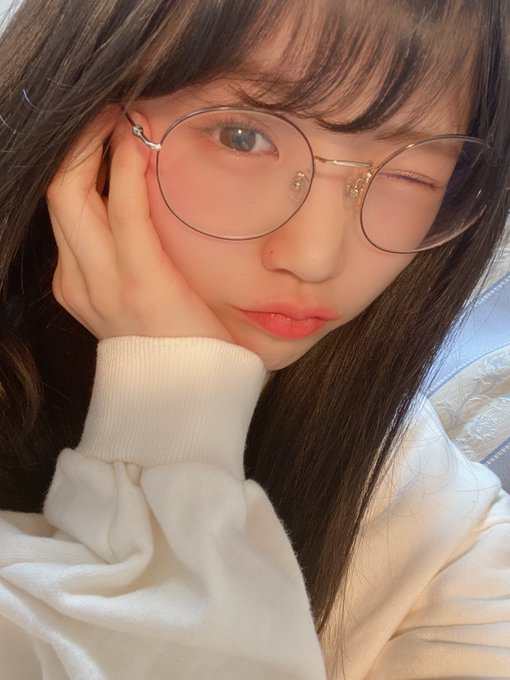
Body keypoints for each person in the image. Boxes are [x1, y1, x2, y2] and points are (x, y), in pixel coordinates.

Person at [0, 0, 509, 678]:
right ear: (85, 116)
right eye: (242, 136)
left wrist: (172, 410)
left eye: (408, 172)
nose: (316, 257)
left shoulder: (439, 524)